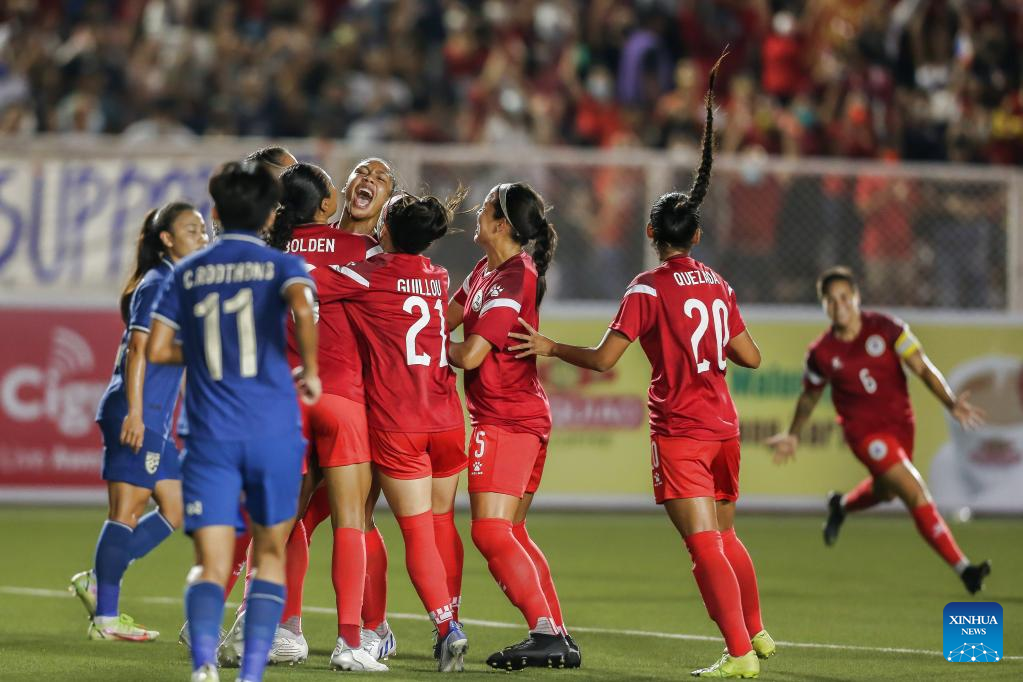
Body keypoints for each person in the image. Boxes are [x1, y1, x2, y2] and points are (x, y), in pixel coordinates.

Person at [509, 56, 776, 679]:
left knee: (701, 543)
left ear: (652, 231)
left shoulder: (648, 288)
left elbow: (604, 361)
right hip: (725, 426)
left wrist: (550, 348)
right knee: (727, 535)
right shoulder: (717, 282)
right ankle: (758, 633)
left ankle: (739, 653)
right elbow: (753, 356)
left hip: (682, 428)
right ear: (698, 234)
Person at [146, 160, 320, 682]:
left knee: (211, 560)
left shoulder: (187, 271)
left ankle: (204, 666)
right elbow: (304, 309)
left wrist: (206, 352)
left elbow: (156, 347)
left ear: (216, 212)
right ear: (270, 216)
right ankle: (249, 675)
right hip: (272, 431)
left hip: (208, 435)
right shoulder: (283, 264)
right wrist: (309, 369)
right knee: (269, 552)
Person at [766, 266, 991, 594]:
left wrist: (951, 402)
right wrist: (794, 433)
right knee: (914, 491)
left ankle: (840, 506)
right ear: (824, 306)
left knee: (887, 492)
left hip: (901, 426)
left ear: (856, 297)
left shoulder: (887, 328)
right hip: (865, 435)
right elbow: (810, 397)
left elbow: (922, 367)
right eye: (831, 300)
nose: (839, 304)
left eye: (844, 296)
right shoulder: (822, 353)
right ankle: (965, 569)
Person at [317, 189, 469, 673]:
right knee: (439, 522)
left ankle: (445, 628)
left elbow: (310, 283)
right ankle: (447, 617)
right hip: (446, 416)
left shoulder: (366, 276)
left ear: (384, 225)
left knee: (407, 528)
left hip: (399, 422)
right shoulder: (438, 276)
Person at [445, 182, 578, 670]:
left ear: (502, 224)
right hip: (518, 415)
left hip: (506, 417)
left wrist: (419, 346)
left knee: (490, 532)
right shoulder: (487, 270)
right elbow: (445, 317)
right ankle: (556, 631)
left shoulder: (511, 278)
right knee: (513, 531)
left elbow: (471, 352)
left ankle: (546, 632)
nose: (477, 214)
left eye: (484, 208)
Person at [261, 162, 387, 671]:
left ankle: (273, 628)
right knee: (353, 521)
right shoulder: (367, 254)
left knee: (282, 519)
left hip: (284, 399)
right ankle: (353, 640)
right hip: (342, 394)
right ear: (328, 204)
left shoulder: (273, 252)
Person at [69, 202, 208, 641]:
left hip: (156, 418)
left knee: (176, 506)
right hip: (136, 413)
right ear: (166, 239)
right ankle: (105, 617)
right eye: (191, 230)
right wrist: (133, 411)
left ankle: (98, 578)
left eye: (203, 229)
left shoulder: (178, 283)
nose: (201, 237)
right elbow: (139, 350)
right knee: (126, 512)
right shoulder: (160, 281)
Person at [179, 145, 297, 651]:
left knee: (230, 539)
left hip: (219, 422)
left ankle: (218, 638)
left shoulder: (197, 268)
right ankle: (277, 630)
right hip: (273, 413)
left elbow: (161, 346)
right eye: (280, 185)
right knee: (287, 530)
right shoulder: (284, 262)